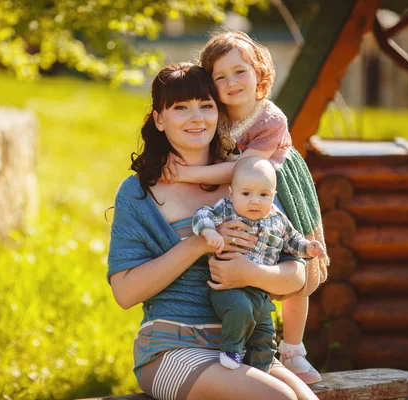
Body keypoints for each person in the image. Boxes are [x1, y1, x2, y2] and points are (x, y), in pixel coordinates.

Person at [108, 62, 318, 400]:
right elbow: (125, 293)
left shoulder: (246, 180)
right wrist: (197, 244)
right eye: (181, 108)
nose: (197, 117)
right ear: (159, 119)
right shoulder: (139, 194)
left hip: (247, 346)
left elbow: (296, 276)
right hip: (171, 349)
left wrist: (252, 272)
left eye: (206, 106)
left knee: (306, 398)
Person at [160, 30, 329, 384]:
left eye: (240, 71)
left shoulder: (271, 119)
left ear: (260, 73)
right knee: (250, 258)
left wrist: (188, 174)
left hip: (275, 187)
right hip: (240, 194)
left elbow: (242, 166)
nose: (231, 82)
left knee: (295, 264)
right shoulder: (216, 114)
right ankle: (253, 335)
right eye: (219, 77)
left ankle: (294, 348)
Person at [192, 157, 325, 371]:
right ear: (232, 194)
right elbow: (202, 214)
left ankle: (262, 369)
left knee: (265, 332)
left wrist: (308, 248)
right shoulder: (227, 210)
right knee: (240, 309)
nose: (255, 201)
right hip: (230, 286)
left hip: (261, 291)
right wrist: (209, 231)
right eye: (246, 194)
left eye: (263, 195)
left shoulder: (278, 219)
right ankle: (232, 350)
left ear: (273, 196)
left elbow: (292, 240)